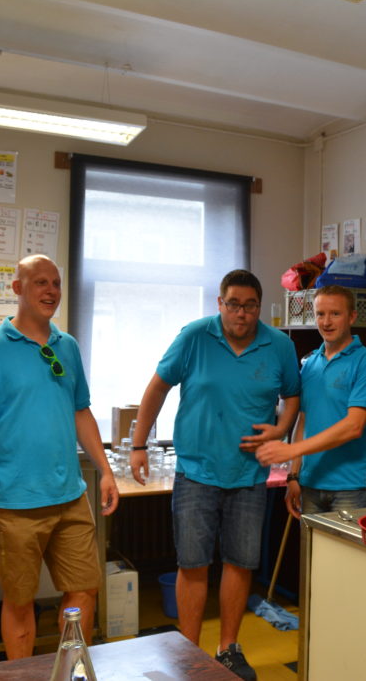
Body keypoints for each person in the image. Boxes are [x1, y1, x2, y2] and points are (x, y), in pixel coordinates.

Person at [129, 269, 300, 681]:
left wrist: (280, 429)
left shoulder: (278, 344)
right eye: (234, 304)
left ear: (260, 307)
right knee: (193, 564)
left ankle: (228, 649)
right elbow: (157, 388)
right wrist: (138, 445)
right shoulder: (195, 336)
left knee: (240, 563)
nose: (242, 313)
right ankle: (189, 653)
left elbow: (293, 395)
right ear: (220, 303)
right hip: (197, 470)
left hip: (249, 474)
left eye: (250, 306)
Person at [0, 254, 119, 659]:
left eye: (56, 283)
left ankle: (72, 669)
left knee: (84, 589)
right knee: (19, 600)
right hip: (13, 501)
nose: (51, 291)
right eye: (40, 282)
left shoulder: (67, 346)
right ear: (18, 288)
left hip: (70, 495)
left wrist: (105, 470)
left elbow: (81, 412)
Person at [255, 285, 366, 519]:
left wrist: (292, 450)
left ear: (352, 316)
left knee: (344, 546)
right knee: (311, 546)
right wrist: (294, 474)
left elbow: (354, 426)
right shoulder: (310, 364)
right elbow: (303, 421)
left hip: (351, 487)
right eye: (320, 314)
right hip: (310, 484)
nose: (326, 322)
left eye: (335, 314)